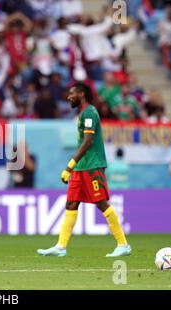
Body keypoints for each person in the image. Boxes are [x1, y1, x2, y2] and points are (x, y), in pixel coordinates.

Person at [37, 83, 131, 257]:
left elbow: (88, 141)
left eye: (71, 94)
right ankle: (61, 246)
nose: (68, 97)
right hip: (81, 168)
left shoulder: (89, 112)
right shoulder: (82, 113)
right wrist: (74, 167)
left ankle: (123, 244)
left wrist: (69, 166)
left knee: (101, 203)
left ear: (81, 94)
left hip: (92, 166)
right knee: (71, 204)